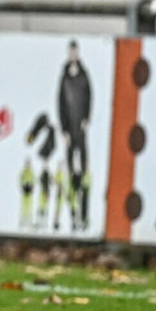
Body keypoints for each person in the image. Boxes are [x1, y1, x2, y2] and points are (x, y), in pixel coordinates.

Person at [58, 39, 91, 228]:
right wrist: (64, 129)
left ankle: (84, 214)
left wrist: (86, 119)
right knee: (71, 173)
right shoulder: (64, 76)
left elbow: (89, 96)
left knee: (84, 173)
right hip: (70, 130)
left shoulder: (84, 75)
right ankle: (72, 215)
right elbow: (60, 103)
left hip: (81, 130)